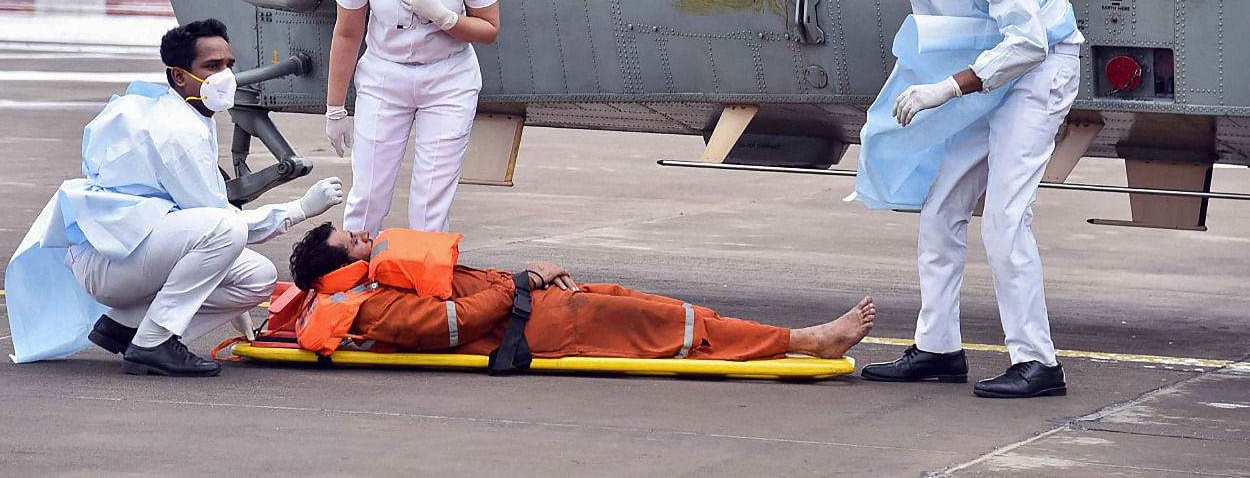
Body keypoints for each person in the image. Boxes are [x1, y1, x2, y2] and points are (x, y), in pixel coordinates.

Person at [860, 0, 1081, 398]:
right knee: (940, 210)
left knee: (1004, 219)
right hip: (985, 79)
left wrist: (946, 89)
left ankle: (1038, 363)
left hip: (1040, 70)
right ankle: (938, 348)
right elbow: (943, 47)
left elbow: (1027, 42)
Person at [4, 19, 344, 376]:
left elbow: (205, 225)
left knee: (257, 276)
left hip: (126, 249)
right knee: (226, 228)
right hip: (110, 262)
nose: (225, 76)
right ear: (179, 77)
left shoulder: (187, 114)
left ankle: (125, 325)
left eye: (229, 65)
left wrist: (214, 277)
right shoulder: (180, 133)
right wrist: (298, 209)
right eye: (211, 67)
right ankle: (153, 343)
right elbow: (219, 222)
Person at [287, 223, 877, 363]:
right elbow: (450, 326)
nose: (367, 235)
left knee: (667, 310)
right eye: (354, 240)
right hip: (537, 326)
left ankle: (776, 337)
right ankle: (804, 340)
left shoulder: (376, 279)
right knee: (667, 328)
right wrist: (525, 281)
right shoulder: (368, 304)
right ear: (337, 268)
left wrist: (531, 280)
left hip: (539, 302)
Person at [325, 0, 500, 237]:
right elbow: (348, 32)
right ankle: (352, 285)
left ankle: (425, 290)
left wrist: (446, 18)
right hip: (385, 76)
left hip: (448, 78)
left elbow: (489, 28)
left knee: (430, 203)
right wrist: (335, 107)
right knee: (368, 195)